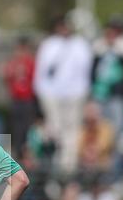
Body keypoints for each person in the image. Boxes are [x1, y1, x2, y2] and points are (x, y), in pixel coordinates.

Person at [33, 15, 93, 174]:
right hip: (52, 95)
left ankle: (68, 167)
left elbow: (85, 71)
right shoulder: (49, 45)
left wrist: (82, 92)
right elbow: (42, 72)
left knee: (72, 131)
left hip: (74, 95)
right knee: (54, 130)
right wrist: (43, 93)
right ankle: (53, 166)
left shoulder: (80, 45)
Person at [90, 20, 123, 133]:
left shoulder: (122, 52)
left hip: (117, 94)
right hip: (100, 95)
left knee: (118, 125)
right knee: (101, 125)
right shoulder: (98, 52)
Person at [0, 36, 36, 151]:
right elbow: (6, 77)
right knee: (15, 126)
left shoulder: (31, 62)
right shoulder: (12, 63)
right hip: (16, 99)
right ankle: (16, 149)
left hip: (28, 99)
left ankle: (25, 150)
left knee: (27, 127)